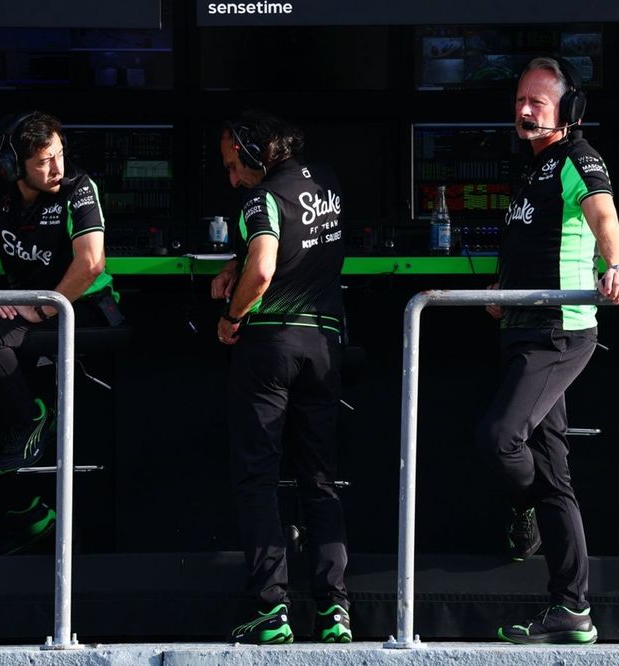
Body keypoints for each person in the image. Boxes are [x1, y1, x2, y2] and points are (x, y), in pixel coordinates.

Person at [479, 57, 619, 645]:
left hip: (558, 332)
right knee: (554, 477)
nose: (523, 110)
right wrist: (499, 292)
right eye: (520, 99)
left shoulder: (576, 157)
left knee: (499, 439)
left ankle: (524, 507)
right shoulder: (534, 166)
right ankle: (572, 610)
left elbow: (605, 220)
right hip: (522, 329)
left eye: (537, 103)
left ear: (568, 111)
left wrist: (616, 264)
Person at [0, 110, 122, 553]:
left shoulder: (78, 187)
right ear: (14, 166)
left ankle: (30, 420)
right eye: (43, 161)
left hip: (85, 307)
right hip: (32, 307)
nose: (57, 167)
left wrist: (41, 307)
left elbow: (92, 262)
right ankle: (26, 506)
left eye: (59, 154)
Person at [211, 110, 351, 644]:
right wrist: (235, 259)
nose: (232, 178)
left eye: (233, 166)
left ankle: (271, 609)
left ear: (254, 154)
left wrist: (231, 318)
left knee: (257, 477)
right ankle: (335, 609)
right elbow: (297, 242)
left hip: (270, 346)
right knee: (321, 479)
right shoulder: (328, 181)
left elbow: (267, 266)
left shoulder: (258, 198)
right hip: (326, 345)